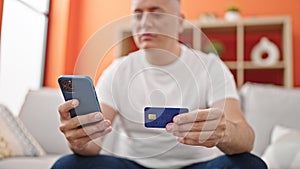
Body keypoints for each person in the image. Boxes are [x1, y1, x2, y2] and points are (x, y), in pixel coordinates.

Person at [52, 0, 267, 168]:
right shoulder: (117, 70)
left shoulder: (211, 67)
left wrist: (225, 132)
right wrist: (77, 139)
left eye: (156, 12)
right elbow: (91, 145)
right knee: (67, 165)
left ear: (180, 21)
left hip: (198, 165)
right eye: (138, 14)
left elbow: (246, 139)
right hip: (133, 164)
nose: (145, 22)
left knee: (250, 164)